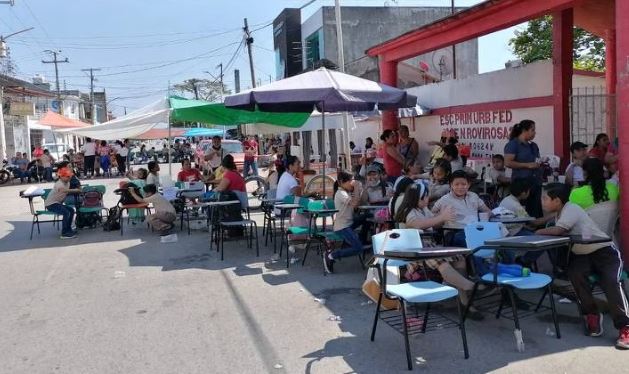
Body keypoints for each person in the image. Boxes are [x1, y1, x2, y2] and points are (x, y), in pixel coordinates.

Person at [536, 183, 629, 348]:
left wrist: (536, 232)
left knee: (611, 282)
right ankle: (592, 314)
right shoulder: (560, 213)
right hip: (582, 255)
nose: (542, 201)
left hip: (604, 252)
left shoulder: (571, 208)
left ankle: (624, 327)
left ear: (557, 200)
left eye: (545, 198)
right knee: (576, 276)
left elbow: (558, 231)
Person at [393, 183, 484, 319]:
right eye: (426, 196)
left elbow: (433, 223)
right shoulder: (409, 211)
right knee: (443, 263)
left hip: (430, 247)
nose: (428, 198)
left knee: (459, 259)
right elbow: (419, 224)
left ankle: (465, 302)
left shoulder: (423, 209)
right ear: (419, 197)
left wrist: (445, 217)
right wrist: (442, 217)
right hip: (414, 252)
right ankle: (471, 287)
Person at [432, 170, 492, 247]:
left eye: (463, 184)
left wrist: (486, 217)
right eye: (456, 184)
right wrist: (442, 217)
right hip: (454, 233)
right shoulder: (445, 199)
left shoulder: (473, 196)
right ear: (451, 185)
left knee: (497, 237)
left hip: (474, 230)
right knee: (471, 241)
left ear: (469, 184)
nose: (460, 187)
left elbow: (487, 211)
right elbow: (432, 215)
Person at [324, 171, 366, 273]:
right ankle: (331, 256)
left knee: (367, 217)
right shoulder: (340, 193)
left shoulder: (346, 191)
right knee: (358, 248)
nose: (352, 183)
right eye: (350, 181)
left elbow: (360, 202)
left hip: (349, 223)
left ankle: (363, 240)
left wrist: (364, 189)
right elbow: (355, 203)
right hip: (342, 227)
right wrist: (356, 188)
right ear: (342, 182)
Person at [504, 119, 543, 218]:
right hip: (521, 182)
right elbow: (508, 162)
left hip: (535, 181)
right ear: (524, 130)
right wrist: (527, 165)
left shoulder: (533, 146)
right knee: (522, 211)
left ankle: (535, 228)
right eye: (532, 130)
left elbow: (536, 160)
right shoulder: (513, 144)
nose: (534, 133)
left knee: (535, 209)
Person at [44, 167, 81, 239]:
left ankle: (68, 229)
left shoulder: (67, 182)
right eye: (67, 176)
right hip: (51, 204)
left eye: (70, 176)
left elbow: (75, 184)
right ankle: (64, 233)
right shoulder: (59, 184)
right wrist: (77, 190)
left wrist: (78, 185)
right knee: (66, 212)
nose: (69, 178)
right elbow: (65, 190)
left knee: (71, 210)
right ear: (62, 177)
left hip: (57, 203)